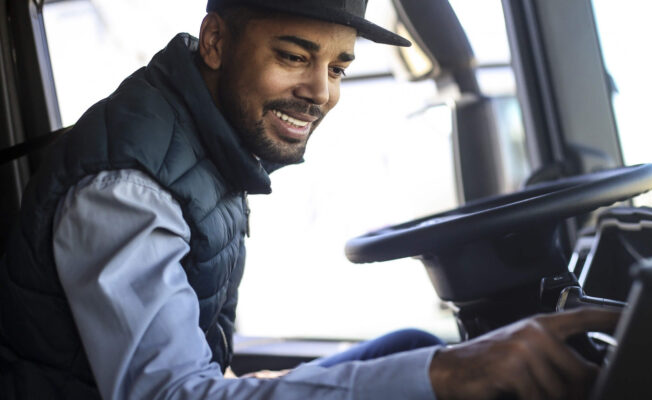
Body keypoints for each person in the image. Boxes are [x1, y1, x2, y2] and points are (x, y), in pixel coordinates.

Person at [0, 0, 619, 399]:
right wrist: (451, 375)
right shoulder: (127, 188)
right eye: (294, 56)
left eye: (340, 67)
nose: (320, 92)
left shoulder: (197, 137)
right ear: (215, 42)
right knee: (433, 365)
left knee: (411, 347)